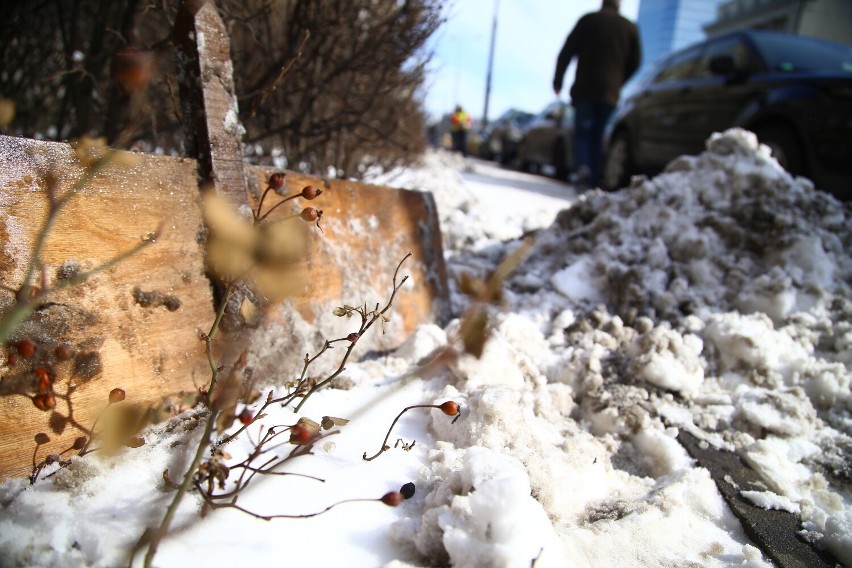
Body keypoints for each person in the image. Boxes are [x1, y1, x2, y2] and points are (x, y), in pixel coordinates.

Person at [553, 0, 640, 188]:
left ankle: (582, 169)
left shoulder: (589, 20)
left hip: (586, 88)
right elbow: (636, 62)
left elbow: (566, 52)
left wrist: (558, 80)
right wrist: (619, 81)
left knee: (583, 133)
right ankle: (592, 179)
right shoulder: (629, 28)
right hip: (610, 92)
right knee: (598, 136)